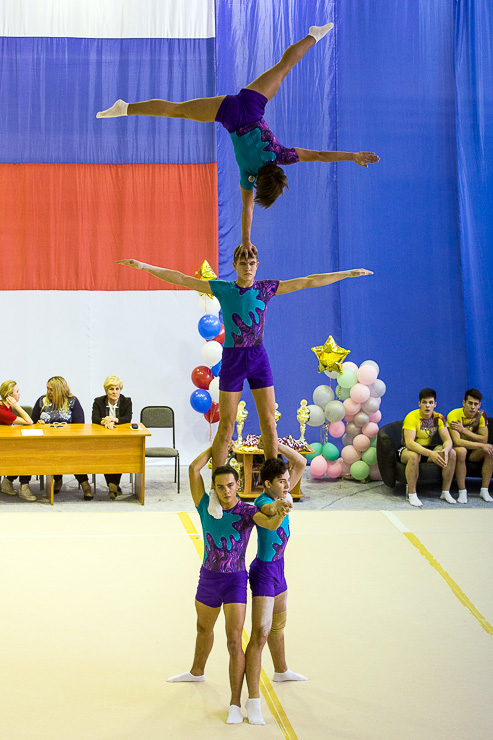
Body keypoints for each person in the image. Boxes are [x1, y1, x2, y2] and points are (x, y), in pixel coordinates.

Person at [97, 24, 379, 246]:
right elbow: (248, 210)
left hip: (251, 104)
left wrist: (352, 155)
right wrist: (246, 240)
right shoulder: (248, 175)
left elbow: (318, 155)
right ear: (259, 185)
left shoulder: (281, 156)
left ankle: (313, 36)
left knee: (283, 68)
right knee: (176, 111)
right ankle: (125, 108)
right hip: (231, 115)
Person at [117, 246, 372, 470]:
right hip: (233, 359)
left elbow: (308, 281)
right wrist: (144, 266)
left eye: (251, 263)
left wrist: (347, 273)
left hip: (258, 357)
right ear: (235, 265)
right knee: (227, 424)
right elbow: (182, 279)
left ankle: (272, 476)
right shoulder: (224, 289)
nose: (247, 268)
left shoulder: (266, 288)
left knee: (269, 423)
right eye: (242, 263)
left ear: (257, 265)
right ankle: (218, 482)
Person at [167, 446, 290, 725]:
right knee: (203, 629)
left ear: (238, 485)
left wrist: (280, 510)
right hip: (209, 578)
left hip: (235, 580)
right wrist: (217, 446)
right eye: (220, 486)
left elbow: (269, 523)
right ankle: (197, 672)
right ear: (214, 488)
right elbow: (193, 469)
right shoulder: (205, 506)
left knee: (234, 641)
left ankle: (235, 702)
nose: (226, 491)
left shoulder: (246, 511)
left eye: (231, 486)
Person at [245, 442, 307, 726]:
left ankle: (281, 671)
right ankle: (253, 700)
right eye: (281, 481)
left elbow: (301, 463)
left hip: (279, 569)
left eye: (287, 480)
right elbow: (269, 509)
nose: (287, 485)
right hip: (264, 573)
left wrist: (276, 443)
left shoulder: (284, 492)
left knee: (279, 627)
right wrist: (279, 506)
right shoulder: (263, 501)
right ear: (267, 484)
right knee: (260, 634)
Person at [31, 376, 93, 500]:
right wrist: (38, 424)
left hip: (68, 441)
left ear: (60, 390)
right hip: (46, 442)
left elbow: (79, 425)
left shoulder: (72, 401)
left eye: (51, 390)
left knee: (71, 454)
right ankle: (58, 480)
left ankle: (85, 484)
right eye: (47, 389)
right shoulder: (42, 401)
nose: (48, 392)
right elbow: (32, 422)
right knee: (53, 452)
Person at [399, 388, 456, 507]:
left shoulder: (439, 418)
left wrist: (446, 450)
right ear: (419, 404)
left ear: (435, 404)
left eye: (430, 402)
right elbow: (409, 443)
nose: (427, 406)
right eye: (424, 402)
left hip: (427, 449)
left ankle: (445, 492)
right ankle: (412, 494)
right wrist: (430, 453)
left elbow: (448, 440)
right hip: (407, 450)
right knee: (414, 455)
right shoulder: (411, 417)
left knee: (452, 453)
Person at [447, 389, 493, 504]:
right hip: (458, 449)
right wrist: (481, 445)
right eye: (470, 403)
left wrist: (463, 430)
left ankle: (484, 490)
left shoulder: (482, 415)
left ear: (479, 405)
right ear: (464, 403)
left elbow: (484, 439)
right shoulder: (454, 414)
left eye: (476, 404)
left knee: (490, 450)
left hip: (474, 452)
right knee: (462, 451)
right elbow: (457, 441)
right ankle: (462, 491)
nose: (473, 407)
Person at [92, 375, 133, 499]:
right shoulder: (98, 401)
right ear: (106, 390)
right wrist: (105, 422)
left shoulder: (126, 401)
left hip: (121, 438)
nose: (115, 392)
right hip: (103, 437)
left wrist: (113, 420)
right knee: (106, 455)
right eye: (111, 389)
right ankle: (114, 486)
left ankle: (112, 485)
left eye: (117, 389)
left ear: (120, 390)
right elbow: (94, 418)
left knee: (120, 455)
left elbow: (128, 418)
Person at [0, 380, 37, 501]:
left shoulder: (4, 406)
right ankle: (24, 486)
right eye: (17, 391)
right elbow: (29, 421)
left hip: (4, 443)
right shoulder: (2, 411)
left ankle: (8, 481)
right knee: (26, 454)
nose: (19, 393)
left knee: (24, 451)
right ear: (9, 396)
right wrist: (16, 405)